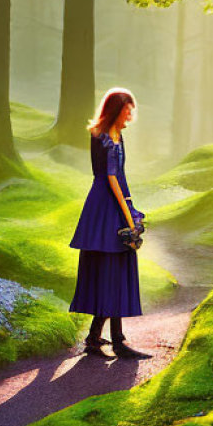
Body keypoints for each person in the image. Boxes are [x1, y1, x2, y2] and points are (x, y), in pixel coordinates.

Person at [68, 88, 150, 359]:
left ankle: (99, 338)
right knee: (109, 268)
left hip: (114, 202)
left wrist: (131, 206)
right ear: (116, 110)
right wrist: (127, 216)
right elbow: (110, 177)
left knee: (115, 269)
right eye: (127, 111)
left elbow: (122, 176)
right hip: (104, 205)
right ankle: (113, 341)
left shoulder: (118, 135)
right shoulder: (101, 136)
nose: (130, 116)